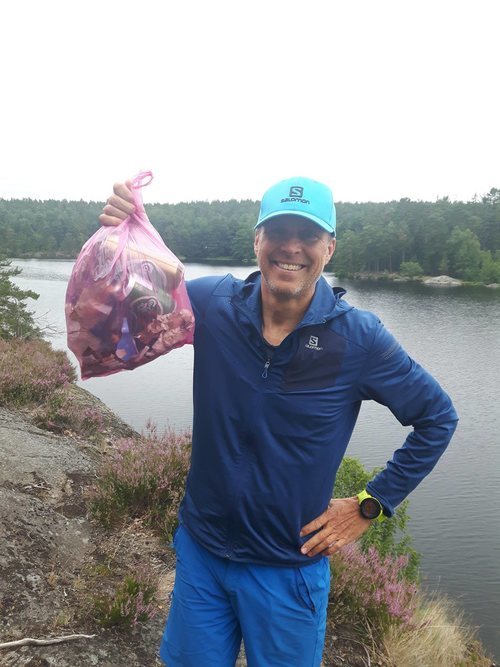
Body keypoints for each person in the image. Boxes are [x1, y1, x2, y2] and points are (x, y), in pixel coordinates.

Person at [100, 176, 458, 667]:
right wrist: (125, 233)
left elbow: (437, 418)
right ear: (257, 240)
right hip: (203, 554)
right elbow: (127, 306)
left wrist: (371, 503)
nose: (291, 247)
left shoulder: (359, 340)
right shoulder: (211, 306)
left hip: (287, 570)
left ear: (328, 248)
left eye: (308, 235)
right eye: (278, 232)